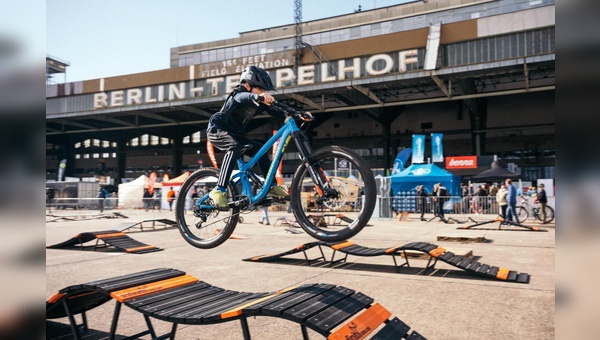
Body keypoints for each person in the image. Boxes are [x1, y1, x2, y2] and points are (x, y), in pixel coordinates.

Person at [206, 66, 313, 208]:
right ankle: (219, 190)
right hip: (217, 130)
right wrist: (257, 96)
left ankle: (271, 187)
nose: (264, 93)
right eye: (261, 89)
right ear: (247, 86)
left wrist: (298, 114)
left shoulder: (259, 102)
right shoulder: (238, 94)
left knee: (261, 152)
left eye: (264, 90)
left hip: (235, 135)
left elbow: (279, 112)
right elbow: (242, 97)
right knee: (234, 147)